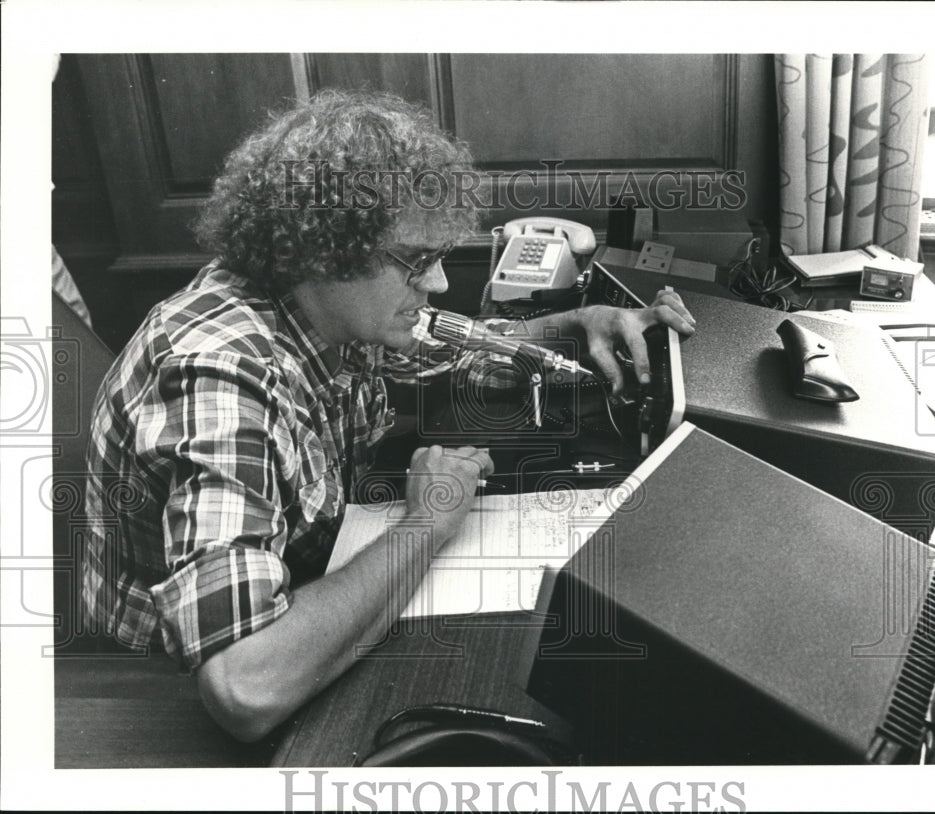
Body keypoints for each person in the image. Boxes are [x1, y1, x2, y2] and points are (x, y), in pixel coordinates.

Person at [83, 89, 696, 742]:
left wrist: (577, 324)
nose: (436, 285)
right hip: (157, 700)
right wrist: (426, 522)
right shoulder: (218, 370)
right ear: (322, 252)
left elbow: (457, 359)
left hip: (300, 595)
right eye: (417, 261)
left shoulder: (322, 305)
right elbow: (245, 684)